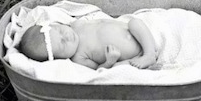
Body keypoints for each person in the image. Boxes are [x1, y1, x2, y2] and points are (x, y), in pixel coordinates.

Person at [20, 17, 157, 70]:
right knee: (120, 67)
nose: (67, 36)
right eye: (62, 43)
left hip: (135, 32)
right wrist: (110, 61)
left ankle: (149, 53)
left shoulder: (76, 25)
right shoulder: (78, 58)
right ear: (59, 58)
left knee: (135, 22)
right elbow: (98, 68)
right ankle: (146, 60)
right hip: (130, 55)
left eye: (61, 30)